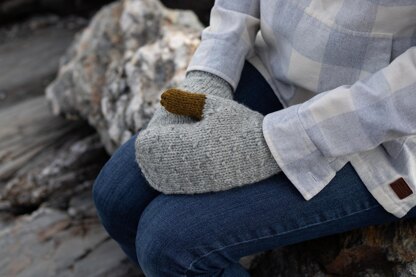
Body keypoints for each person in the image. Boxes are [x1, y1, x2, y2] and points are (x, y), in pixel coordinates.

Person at [93, 1, 416, 276]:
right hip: (277, 69)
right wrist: (207, 81)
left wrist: (270, 145)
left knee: (168, 244)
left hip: (383, 134)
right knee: (116, 198)